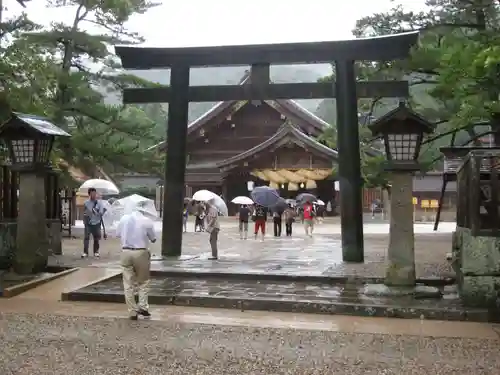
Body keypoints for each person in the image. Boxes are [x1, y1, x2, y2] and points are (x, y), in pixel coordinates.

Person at [116, 201, 156, 320]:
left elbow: (117, 234)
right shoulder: (147, 221)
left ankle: (132, 311)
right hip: (141, 252)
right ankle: (143, 306)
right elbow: (153, 238)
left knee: (128, 283)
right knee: (143, 281)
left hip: (125, 252)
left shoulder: (123, 219)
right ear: (144, 209)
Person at [82, 187, 106, 258]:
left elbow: (101, 213)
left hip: (97, 223)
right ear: (89, 194)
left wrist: (97, 212)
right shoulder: (86, 203)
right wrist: (85, 219)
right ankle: (85, 252)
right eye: (92, 193)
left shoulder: (99, 203)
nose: (94, 195)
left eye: (95, 193)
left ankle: (96, 251)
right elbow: (84, 212)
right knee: (86, 238)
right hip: (88, 223)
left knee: (96, 238)